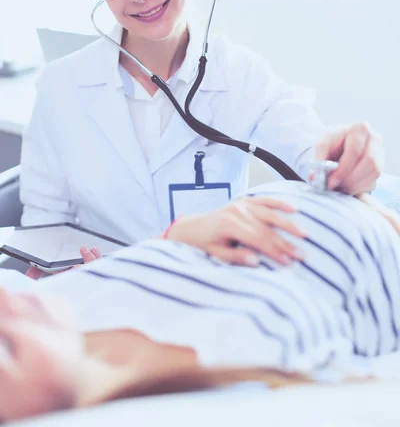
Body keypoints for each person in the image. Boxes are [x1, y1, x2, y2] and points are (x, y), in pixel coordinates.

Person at [20, 0, 383, 248]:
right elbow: (44, 225)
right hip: (103, 296)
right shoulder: (61, 87)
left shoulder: (241, 75)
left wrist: (349, 159)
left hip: (210, 292)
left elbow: (313, 156)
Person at [1, 181, 400, 422]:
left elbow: (153, 263)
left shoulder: (53, 308)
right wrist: (377, 212)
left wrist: (184, 231)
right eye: (5, 346)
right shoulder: (242, 392)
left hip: (335, 189)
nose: (8, 303)